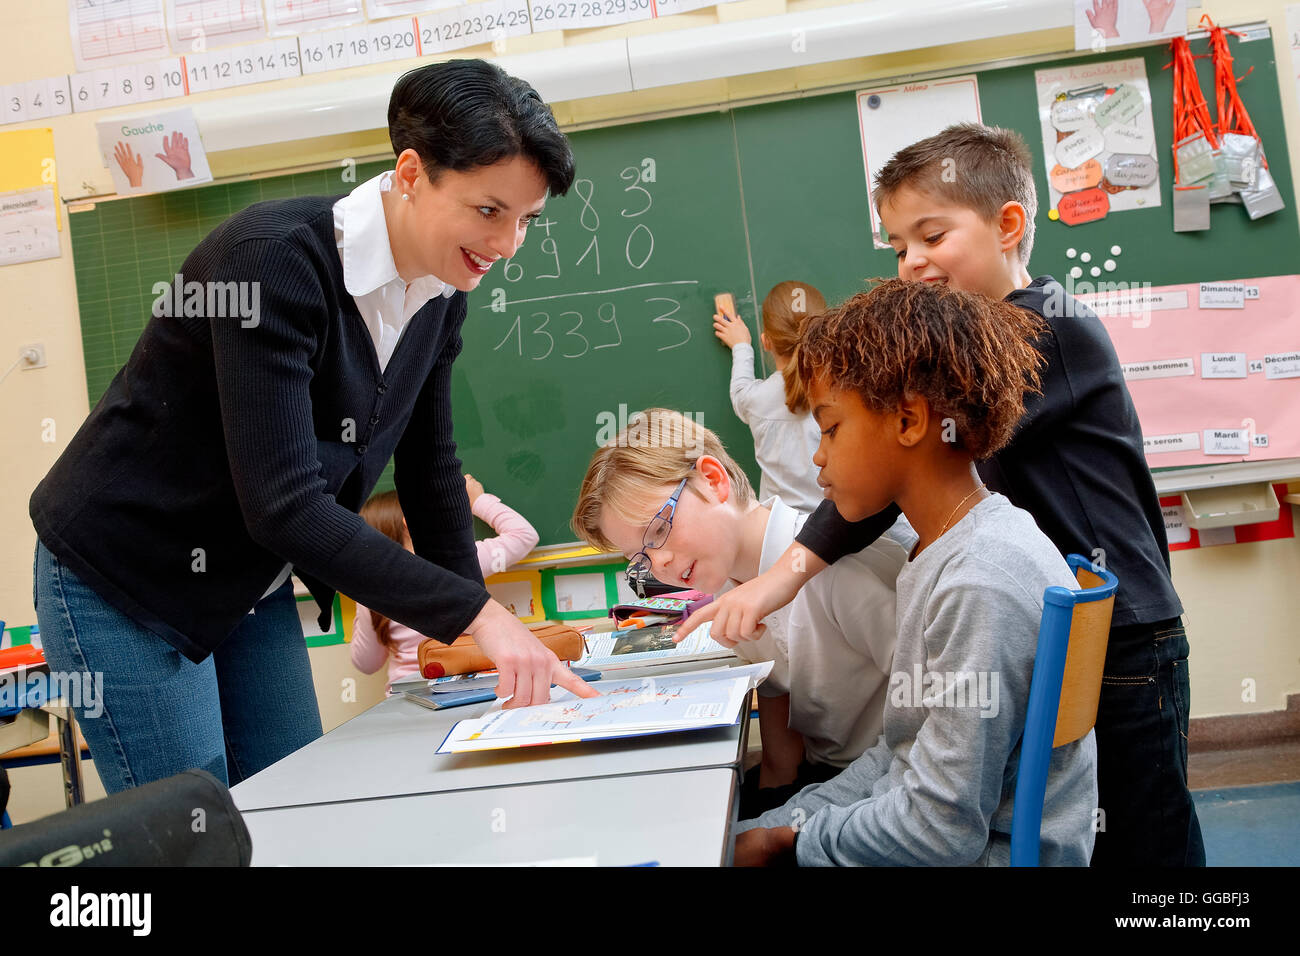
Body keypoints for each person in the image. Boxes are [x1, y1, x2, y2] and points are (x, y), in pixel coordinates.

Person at [29, 59, 596, 795]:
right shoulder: (273, 262)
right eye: (490, 211)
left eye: (526, 220)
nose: (508, 245)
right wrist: (478, 614)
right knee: (196, 827)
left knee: (293, 798)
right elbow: (285, 505)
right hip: (128, 575)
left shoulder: (442, 288)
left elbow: (431, 471)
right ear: (412, 172)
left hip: (245, 582)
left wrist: (466, 637)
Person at [682, 123, 1202, 867]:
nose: (911, 263)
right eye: (897, 246)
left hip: (1126, 629)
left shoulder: (1044, 330)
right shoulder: (971, 368)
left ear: (1009, 224)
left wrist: (778, 577)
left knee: (1154, 839)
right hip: (1058, 610)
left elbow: (897, 471)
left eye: (931, 235)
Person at [734, 278, 1096, 866]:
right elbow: (900, 756)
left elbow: (939, 830)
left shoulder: (979, 579)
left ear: (908, 421)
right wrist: (777, 825)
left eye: (830, 429)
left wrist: (791, 842)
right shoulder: (947, 549)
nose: (817, 457)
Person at [570, 408, 912, 817]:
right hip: (822, 776)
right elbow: (776, 699)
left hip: (887, 783)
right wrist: (769, 804)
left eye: (658, 531)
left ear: (713, 481)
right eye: (638, 558)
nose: (658, 565)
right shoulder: (728, 590)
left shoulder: (836, 573)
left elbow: (934, 719)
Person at [351, 477, 541, 691]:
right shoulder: (458, 559)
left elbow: (367, 664)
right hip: (469, 685)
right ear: (410, 521)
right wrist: (478, 501)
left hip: (408, 694)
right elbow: (524, 535)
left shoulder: (374, 585)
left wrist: (363, 596)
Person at [714, 281, 826, 513]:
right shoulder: (844, 395)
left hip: (780, 530)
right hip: (837, 526)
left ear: (766, 341)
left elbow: (739, 391)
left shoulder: (756, 400)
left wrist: (741, 346)